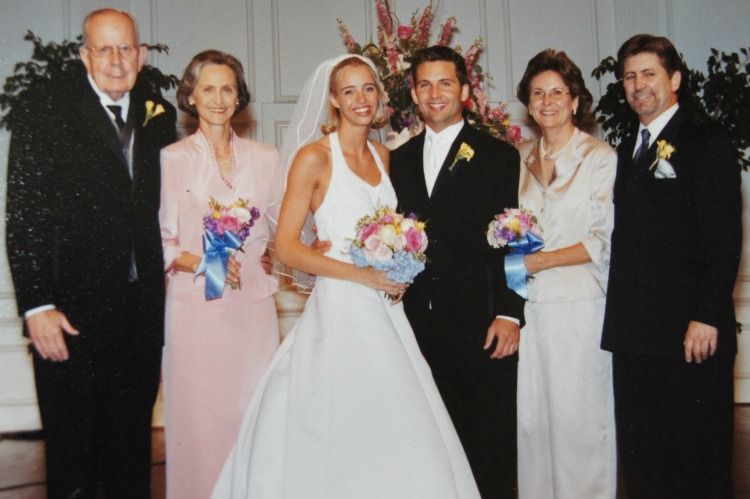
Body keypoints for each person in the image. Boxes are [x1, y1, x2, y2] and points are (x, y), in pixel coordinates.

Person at [211, 54, 480, 498]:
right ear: (334, 100)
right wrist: (361, 274)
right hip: (340, 304)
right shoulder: (314, 158)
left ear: (380, 95)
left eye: (368, 89)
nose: (361, 99)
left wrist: (398, 263)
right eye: (349, 91)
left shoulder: (383, 155)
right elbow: (287, 247)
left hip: (387, 306)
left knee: (397, 419)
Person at [5, 8, 176, 498]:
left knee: (131, 455)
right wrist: (37, 305)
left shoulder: (159, 115)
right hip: (69, 316)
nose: (116, 61)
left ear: (142, 55)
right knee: (72, 460)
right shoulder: (44, 111)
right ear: (85, 56)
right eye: (104, 49)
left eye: (125, 49)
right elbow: (24, 215)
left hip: (139, 316)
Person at [601, 34, 740, 499]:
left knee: (697, 462)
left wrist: (706, 315)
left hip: (689, 334)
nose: (638, 85)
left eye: (649, 74)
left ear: (675, 79)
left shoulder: (707, 143)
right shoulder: (626, 148)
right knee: (645, 463)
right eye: (629, 76)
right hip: (635, 338)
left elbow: (723, 238)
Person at [389, 45, 524, 498]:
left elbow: (514, 237)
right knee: (429, 448)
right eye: (424, 84)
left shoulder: (498, 155)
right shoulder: (398, 160)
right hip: (417, 326)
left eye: (445, 83)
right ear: (414, 94)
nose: (435, 93)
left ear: (465, 91)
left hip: (481, 324)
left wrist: (510, 313)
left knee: (488, 446)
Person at [158, 50, 282, 499]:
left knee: (253, 415)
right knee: (201, 420)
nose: (217, 98)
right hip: (196, 307)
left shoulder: (267, 158)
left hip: (253, 308)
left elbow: (282, 228)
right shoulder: (171, 159)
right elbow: (161, 241)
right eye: (207, 89)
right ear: (190, 96)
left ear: (239, 96)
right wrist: (204, 262)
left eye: (227, 89)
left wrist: (273, 254)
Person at [514, 49, 616, 499]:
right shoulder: (519, 157)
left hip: (580, 305)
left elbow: (602, 238)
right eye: (538, 93)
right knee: (534, 420)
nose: (547, 101)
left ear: (575, 100)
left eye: (557, 92)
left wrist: (541, 261)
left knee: (580, 421)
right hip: (530, 308)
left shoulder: (599, 157)